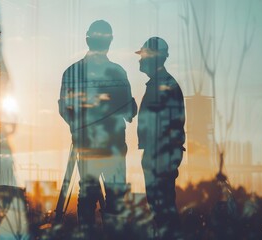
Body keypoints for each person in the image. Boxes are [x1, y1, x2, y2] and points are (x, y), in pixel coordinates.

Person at [58, 20, 137, 235]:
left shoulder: (72, 72)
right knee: (115, 202)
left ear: (88, 40)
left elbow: (64, 108)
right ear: (109, 41)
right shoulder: (118, 73)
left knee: (88, 197)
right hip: (113, 149)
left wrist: (79, 128)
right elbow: (129, 112)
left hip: (88, 148)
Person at [135, 37, 186, 239]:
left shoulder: (165, 86)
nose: (140, 60)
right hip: (158, 156)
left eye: (144, 55)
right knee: (160, 211)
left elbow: (172, 125)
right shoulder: (160, 84)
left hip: (161, 157)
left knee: (163, 211)